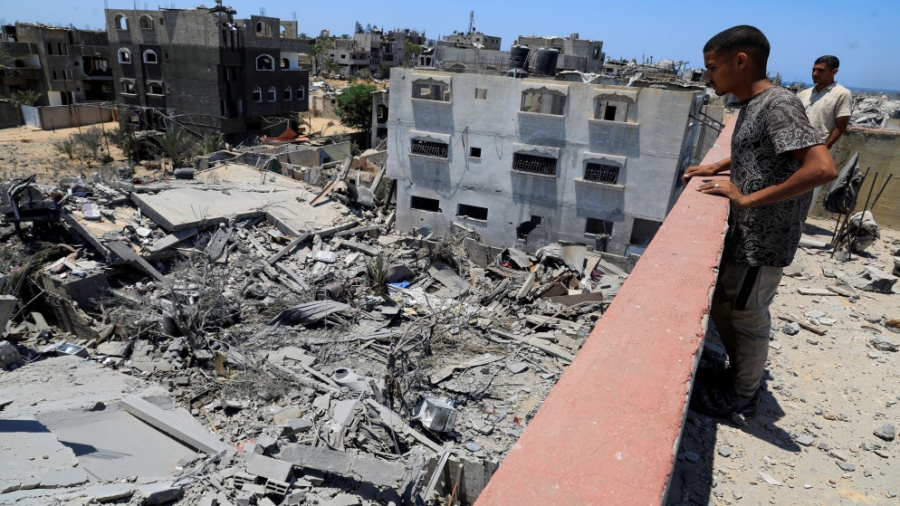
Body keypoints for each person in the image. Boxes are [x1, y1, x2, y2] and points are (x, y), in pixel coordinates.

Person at [682, 25, 838, 416]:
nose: (707, 76)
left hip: (764, 240)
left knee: (747, 315)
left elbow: (822, 168)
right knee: (727, 305)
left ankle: (742, 396)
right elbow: (763, 148)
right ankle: (737, 377)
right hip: (748, 235)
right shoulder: (754, 104)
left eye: (712, 67)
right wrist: (718, 165)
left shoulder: (778, 103)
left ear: (741, 61)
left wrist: (746, 198)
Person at [797, 56, 852, 149]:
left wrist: (826, 147)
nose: (815, 73)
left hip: (817, 147)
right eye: (813, 70)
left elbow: (841, 126)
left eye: (820, 70)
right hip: (795, 146)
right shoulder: (804, 93)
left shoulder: (842, 94)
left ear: (834, 71)